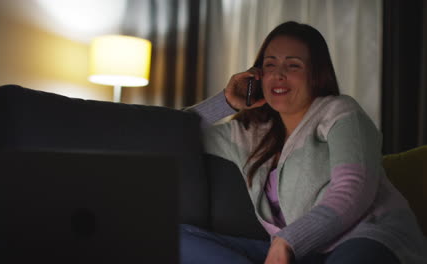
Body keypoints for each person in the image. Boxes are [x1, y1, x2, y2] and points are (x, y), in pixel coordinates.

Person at [181, 21, 427, 264]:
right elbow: (173, 133)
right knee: (177, 239)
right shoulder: (247, 133)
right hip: (301, 254)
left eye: (293, 65)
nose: (278, 74)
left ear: (315, 74)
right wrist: (225, 102)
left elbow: (355, 186)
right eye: (270, 65)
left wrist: (289, 241)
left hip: (366, 238)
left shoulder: (340, 111)